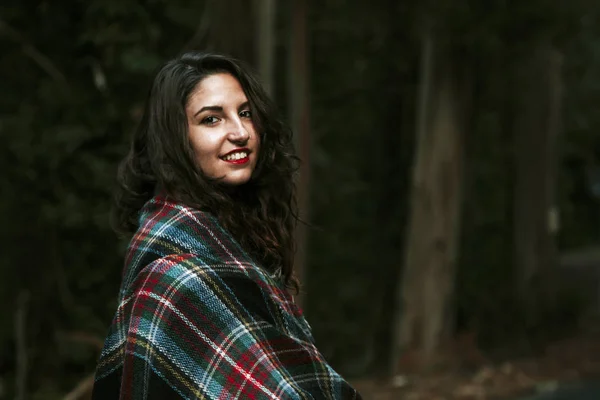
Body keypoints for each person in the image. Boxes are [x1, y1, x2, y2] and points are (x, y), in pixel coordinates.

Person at [92, 52, 361, 399]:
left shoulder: (234, 240)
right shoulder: (172, 273)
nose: (240, 132)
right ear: (176, 139)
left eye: (245, 113)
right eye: (211, 120)